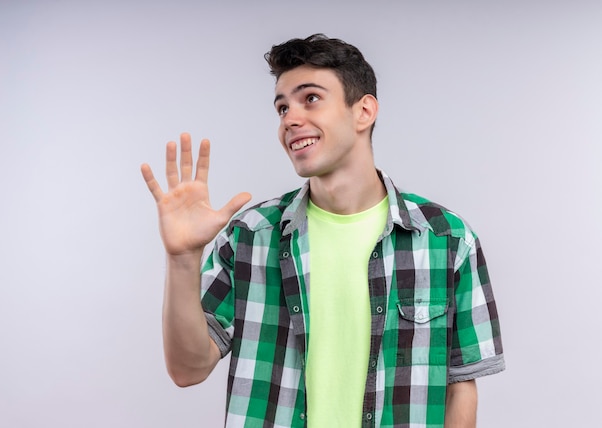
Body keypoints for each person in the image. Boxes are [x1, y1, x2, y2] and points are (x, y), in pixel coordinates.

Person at [141, 34, 505, 428]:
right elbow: (187, 369)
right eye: (282, 108)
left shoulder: (446, 239)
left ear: (363, 111)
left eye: (309, 98)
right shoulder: (250, 236)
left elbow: (460, 388)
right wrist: (182, 259)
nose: (290, 119)